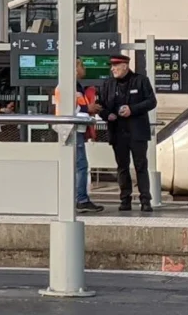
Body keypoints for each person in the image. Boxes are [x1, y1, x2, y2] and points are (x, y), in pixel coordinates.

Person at [97, 53, 158, 212]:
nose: (113, 69)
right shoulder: (108, 84)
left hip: (137, 132)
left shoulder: (141, 80)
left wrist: (132, 109)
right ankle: (125, 199)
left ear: (125, 66)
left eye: (116, 66)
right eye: (112, 66)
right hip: (117, 132)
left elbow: (151, 101)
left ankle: (145, 200)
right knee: (122, 167)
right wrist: (106, 115)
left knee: (141, 166)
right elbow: (100, 105)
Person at [53, 59, 104, 213]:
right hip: (71, 130)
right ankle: (81, 199)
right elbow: (69, 108)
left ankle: (77, 198)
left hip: (75, 130)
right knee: (80, 165)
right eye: (82, 66)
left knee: (78, 165)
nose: (84, 69)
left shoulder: (75, 86)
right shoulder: (67, 86)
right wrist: (88, 108)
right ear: (74, 69)